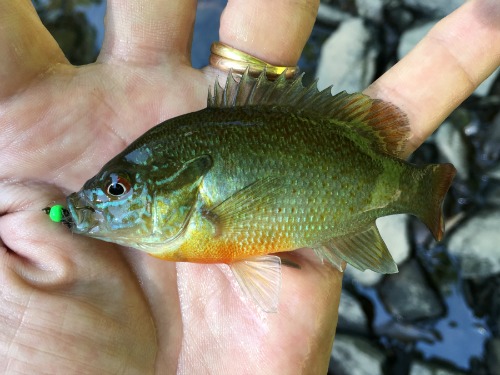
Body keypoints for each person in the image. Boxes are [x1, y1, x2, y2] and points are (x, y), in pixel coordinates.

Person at [0, 0, 498, 373]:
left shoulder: (197, 222)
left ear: (186, 187)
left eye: (116, 190)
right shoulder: (179, 214)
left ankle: (414, 191)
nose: (97, 201)